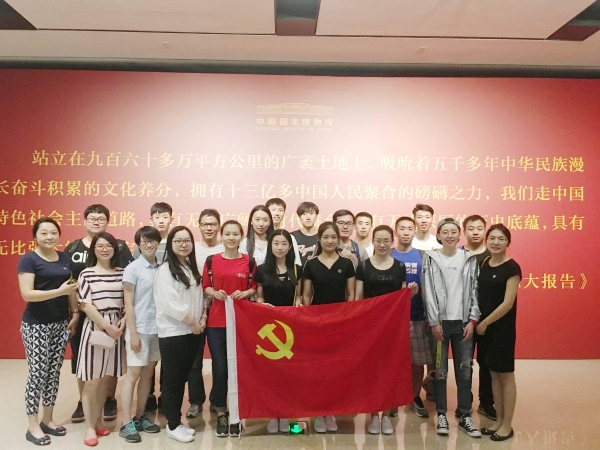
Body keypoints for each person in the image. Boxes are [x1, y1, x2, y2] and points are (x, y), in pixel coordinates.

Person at [65, 204, 133, 424]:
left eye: (101, 218)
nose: (96, 222)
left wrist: (124, 319)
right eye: (92, 218)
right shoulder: (73, 248)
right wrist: (76, 312)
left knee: (110, 362)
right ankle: (84, 402)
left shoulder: (120, 248)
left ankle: (108, 399)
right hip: (86, 316)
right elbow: (70, 284)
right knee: (84, 362)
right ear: (84, 221)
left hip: (115, 318)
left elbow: (129, 289)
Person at [17, 218, 80, 446]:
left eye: (53, 232)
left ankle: (47, 419)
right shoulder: (29, 260)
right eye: (43, 233)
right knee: (37, 373)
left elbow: (70, 288)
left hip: (60, 324)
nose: (49, 237)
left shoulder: (64, 258)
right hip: (36, 325)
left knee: (53, 372)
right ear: (35, 236)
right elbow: (27, 294)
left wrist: (75, 313)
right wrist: (58, 291)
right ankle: (32, 425)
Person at [422, 218, 481, 438]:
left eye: (453, 232)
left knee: (465, 370)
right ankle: (441, 415)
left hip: (463, 324)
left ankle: (465, 415)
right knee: (439, 372)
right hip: (440, 325)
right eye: (444, 232)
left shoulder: (468, 258)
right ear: (438, 235)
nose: (449, 236)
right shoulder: (431, 258)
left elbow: (475, 290)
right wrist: (434, 321)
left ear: (459, 235)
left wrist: (473, 320)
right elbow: (427, 291)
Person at [355, 225, 417, 435]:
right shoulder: (363, 266)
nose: (382, 245)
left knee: (391, 369)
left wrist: (411, 292)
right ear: (373, 241)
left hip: (393, 328)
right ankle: (374, 414)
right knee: (372, 370)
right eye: (378, 241)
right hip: (370, 327)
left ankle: (388, 414)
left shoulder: (399, 266)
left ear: (392, 242)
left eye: (386, 241)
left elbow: (401, 296)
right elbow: (358, 298)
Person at [202, 221, 257, 438]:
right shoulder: (212, 261)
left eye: (235, 234)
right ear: (221, 236)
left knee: (241, 368)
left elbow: (254, 286)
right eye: (227, 234)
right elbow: (205, 285)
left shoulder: (249, 262)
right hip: (216, 323)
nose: (231, 238)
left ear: (241, 236)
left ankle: (239, 410)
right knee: (220, 368)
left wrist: (247, 293)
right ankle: (220, 410)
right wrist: (213, 293)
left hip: (242, 323)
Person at [154, 226, 206, 443]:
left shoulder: (191, 268)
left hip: (193, 332)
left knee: (183, 377)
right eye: (178, 241)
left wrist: (202, 318)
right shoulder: (166, 270)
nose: (184, 245)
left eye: (187, 241)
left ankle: (177, 421)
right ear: (170, 244)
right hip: (175, 333)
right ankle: (172, 424)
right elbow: (169, 303)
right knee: (173, 380)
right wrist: (192, 322)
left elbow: (200, 298)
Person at [302, 222, 355, 433]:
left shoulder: (347, 263)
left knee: (336, 370)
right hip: (317, 323)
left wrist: (347, 318)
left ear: (338, 239)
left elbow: (351, 295)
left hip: (339, 323)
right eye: (326, 237)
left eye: (333, 237)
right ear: (319, 239)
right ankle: (319, 412)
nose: (330, 241)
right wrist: (308, 320)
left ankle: (331, 411)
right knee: (318, 370)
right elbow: (306, 295)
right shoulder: (311, 264)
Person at [76, 232, 127, 446]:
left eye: (109, 245)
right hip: (96, 327)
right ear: (93, 249)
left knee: (106, 378)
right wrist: (106, 326)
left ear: (115, 249)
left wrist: (123, 321)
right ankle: (89, 427)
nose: (105, 249)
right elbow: (85, 304)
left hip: (117, 327)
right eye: (100, 246)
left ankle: (97, 421)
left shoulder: (122, 272)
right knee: (92, 380)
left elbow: (129, 300)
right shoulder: (87, 274)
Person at [475, 224, 521, 442]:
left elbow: (507, 304)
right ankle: (499, 420)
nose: (496, 242)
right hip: (484, 329)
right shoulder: (485, 262)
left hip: (501, 329)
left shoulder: (512, 268)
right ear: (486, 241)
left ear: (507, 242)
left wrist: (485, 323)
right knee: (493, 374)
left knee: (506, 375)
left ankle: (507, 425)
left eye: (501, 239)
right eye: (492, 238)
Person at [255, 229, 303, 434]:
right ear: (270, 246)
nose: (280, 247)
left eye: (284, 243)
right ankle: (273, 414)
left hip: (291, 329)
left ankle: (287, 413)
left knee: (290, 374)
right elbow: (259, 298)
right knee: (271, 374)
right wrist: (261, 305)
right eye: (276, 243)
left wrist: (299, 303)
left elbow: (300, 296)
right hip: (269, 328)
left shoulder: (297, 269)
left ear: (290, 246)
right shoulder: (262, 270)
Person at [119, 227, 162, 443]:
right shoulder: (133, 268)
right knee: (133, 375)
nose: (149, 244)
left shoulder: (162, 268)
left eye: (152, 240)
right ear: (138, 244)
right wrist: (133, 333)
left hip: (158, 329)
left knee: (148, 374)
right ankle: (126, 423)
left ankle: (140, 417)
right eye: (144, 241)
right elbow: (128, 303)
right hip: (140, 328)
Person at [391, 216, 433, 419]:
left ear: (414, 232)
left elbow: (429, 287)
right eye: (402, 228)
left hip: (417, 316)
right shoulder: (387, 254)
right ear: (395, 232)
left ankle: (414, 397)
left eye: (410, 228)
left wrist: (429, 314)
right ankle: (391, 398)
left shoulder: (423, 256)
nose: (406, 232)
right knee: (391, 360)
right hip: (392, 319)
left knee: (417, 361)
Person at [186, 209, 224, 419]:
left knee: (220, 362)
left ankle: (218, 401)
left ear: (219, 226)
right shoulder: (191, 249)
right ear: (199, 226)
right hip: (195, 310)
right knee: (194, 361)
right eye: (205, 224)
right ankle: (195, 401)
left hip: (219, 311)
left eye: (213, 224)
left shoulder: (226, 248)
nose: (209, 228)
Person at [461, 215, 496, 421]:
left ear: (485, 231)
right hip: (463, 319)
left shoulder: (493, 255)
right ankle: (465, 403)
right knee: (465, 363)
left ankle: (486, 402)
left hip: (487, 319)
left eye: (479, 228)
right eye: (471, 228)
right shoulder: (457, 254)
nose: (475, 232)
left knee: (486, 362)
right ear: (464, 231)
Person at [266, 198, 301, 265]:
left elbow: (296, 262)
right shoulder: (261, 236)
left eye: (280, 210)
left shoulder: (289, 237)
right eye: (273, 210)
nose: (277, 213)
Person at [291, 201, 320, 266]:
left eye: (311, 213)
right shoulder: (292, 237)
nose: (308, 218)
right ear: (299, 217)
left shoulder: (322, 237)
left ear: (316, 216)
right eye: (304, 214)